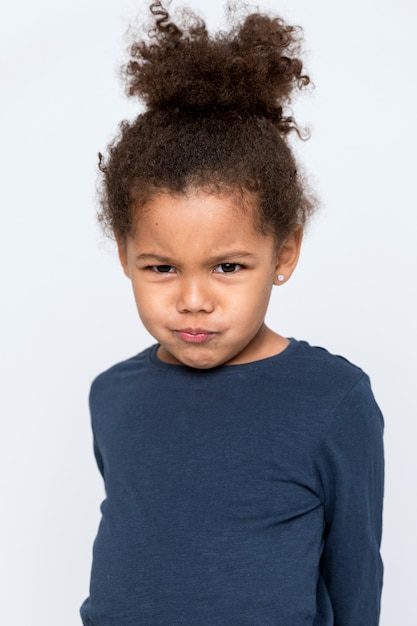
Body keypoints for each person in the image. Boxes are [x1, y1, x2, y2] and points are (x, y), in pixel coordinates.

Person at [80, 1, 384, 624]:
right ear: (125, 254)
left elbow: (356, 578)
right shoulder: (112, 395)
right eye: (161, 267)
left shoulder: (334, 399)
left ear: (285, 252)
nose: (193, 299)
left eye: (228, 266)